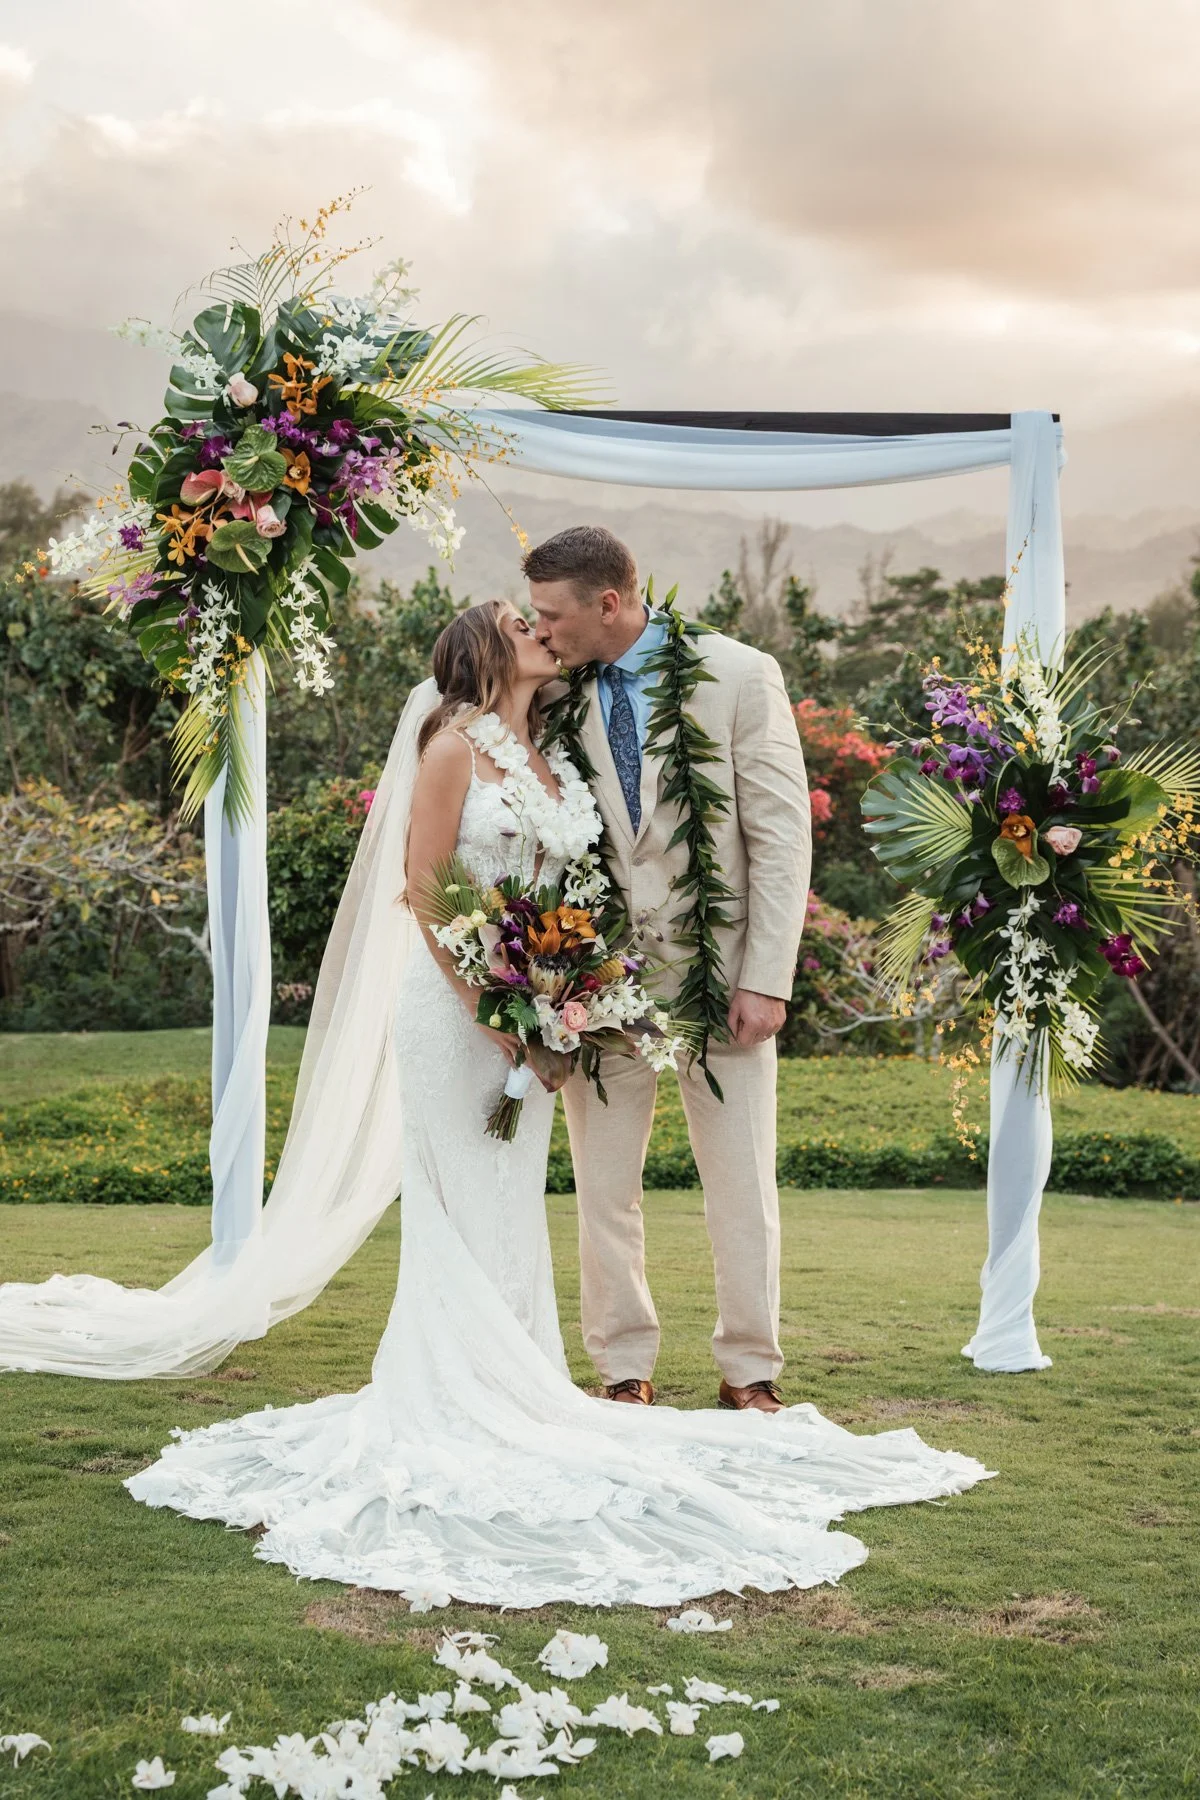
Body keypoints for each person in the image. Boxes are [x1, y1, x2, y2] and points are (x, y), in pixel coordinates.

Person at [123, 596, 990, 1609]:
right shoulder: (449, 745)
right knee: (464, 1197)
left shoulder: (549, 748)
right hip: (459, 1013)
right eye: (519, 621)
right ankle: (461, 1390)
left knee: (512, 1197)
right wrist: (495, 1011)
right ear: (488, 652)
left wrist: (555, 1000)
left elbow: (569, 885)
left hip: (538, 1008)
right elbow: (425, 883)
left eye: (545, 615)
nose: (540, 629)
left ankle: (526, 1380)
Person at [525, 525, 807, 1413]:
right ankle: (621, 1368)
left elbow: (780, 833)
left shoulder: (737, 673)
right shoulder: (550, 686)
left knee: (741, 1184)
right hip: (598, 985)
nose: (542, 631)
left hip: (723, 982)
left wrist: (768, 975)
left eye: (553, 614)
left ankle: (749, 1370)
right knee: (604, 1188)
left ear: (609, 603)